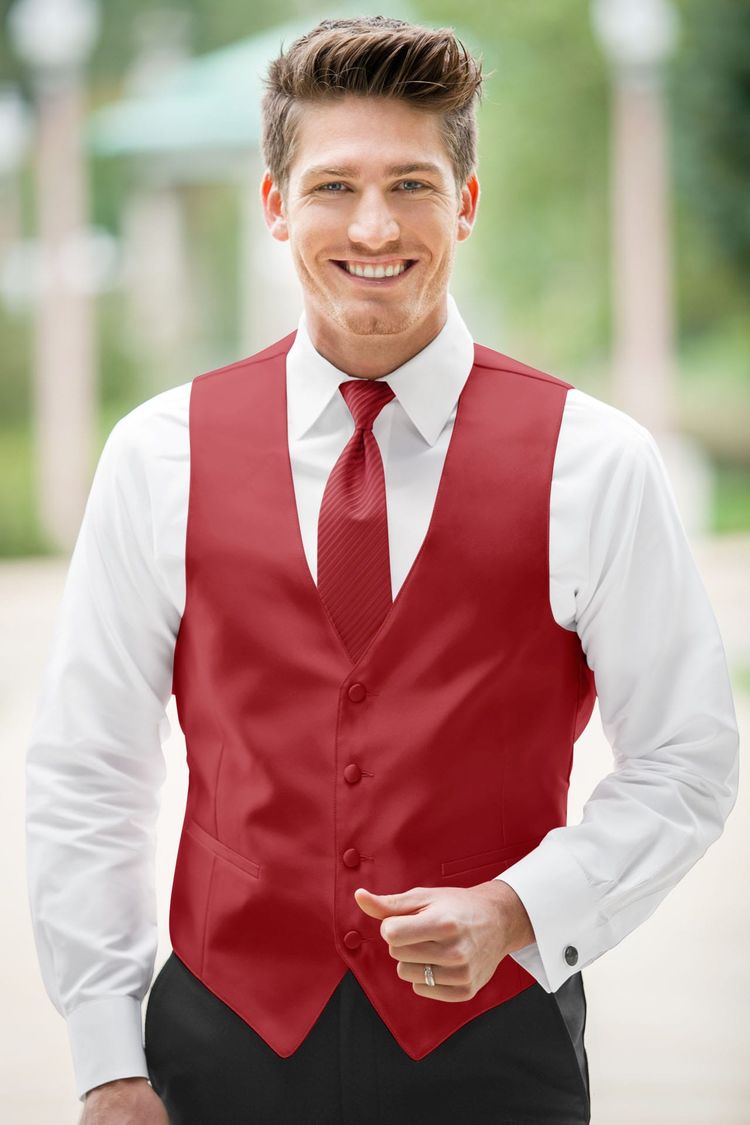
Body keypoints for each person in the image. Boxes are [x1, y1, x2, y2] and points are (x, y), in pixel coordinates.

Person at [25, 14, 739, 1125]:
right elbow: (88, 768)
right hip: (219, 1045)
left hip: (495, 1051)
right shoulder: (159, 454)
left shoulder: (593, 461)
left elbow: (687, 757)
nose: (374, 225)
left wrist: (518, 908)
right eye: (333, 186)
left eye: (411, 184)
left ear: (466, 201)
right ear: (276, 204)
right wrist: (108, 1058)